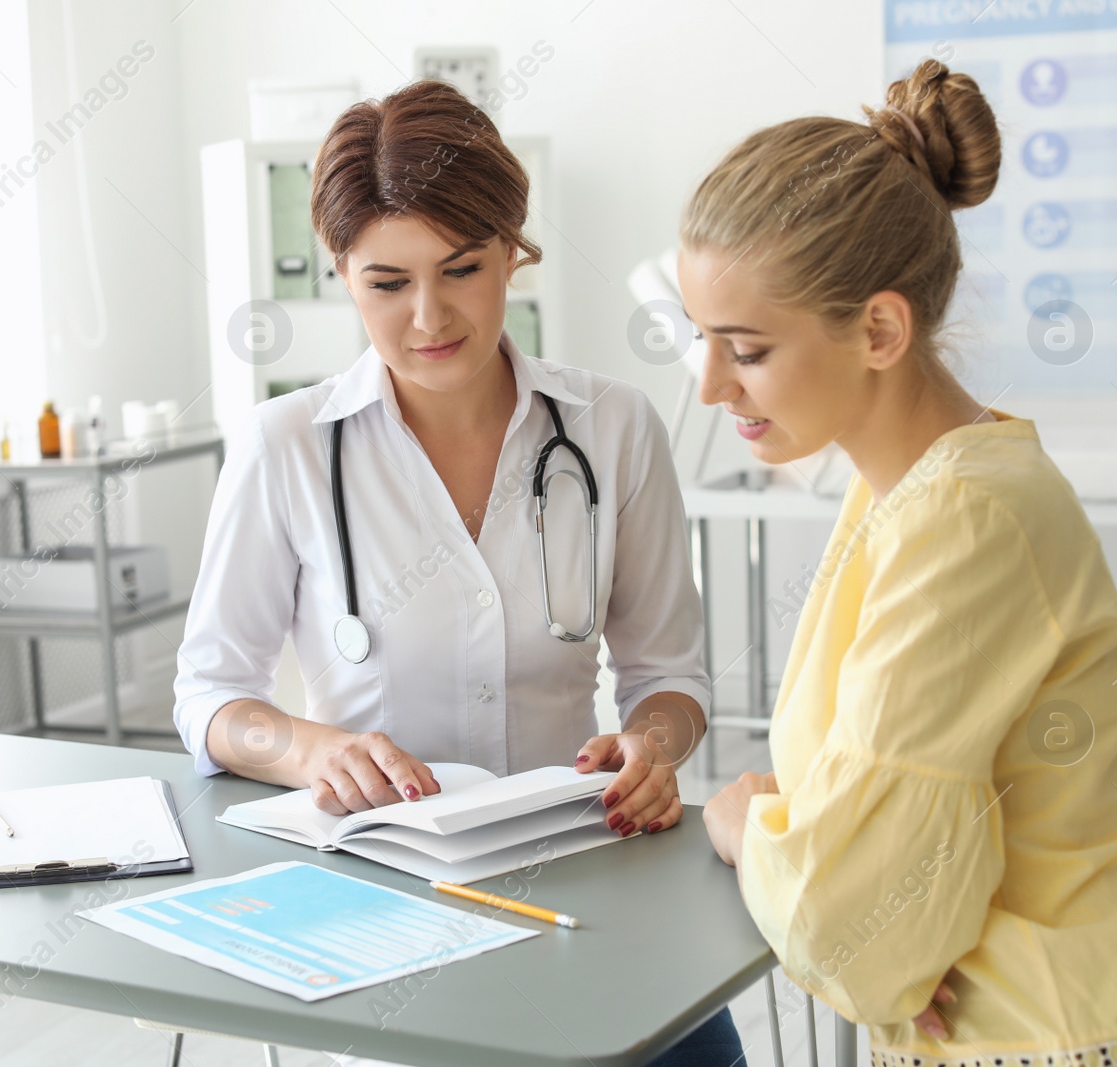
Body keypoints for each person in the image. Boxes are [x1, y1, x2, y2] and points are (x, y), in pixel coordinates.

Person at [173, 79, 743, 1064]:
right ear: (340, 272)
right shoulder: (287, 446)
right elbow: (212, 695)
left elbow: (669, 676)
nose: (429, 315)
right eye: (386, 283)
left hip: (581, 876)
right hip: (379, 906)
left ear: (512, 252)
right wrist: (311, 748)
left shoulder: (613, 428)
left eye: (462, 268)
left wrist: (651, 746)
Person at [683, 59, 1117, 1065]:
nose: (711, 381)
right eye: (700, 340)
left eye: (746, 348)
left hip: (1052, 1035)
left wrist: (742, 819)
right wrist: (823, 855)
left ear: (879, 329)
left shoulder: (965, 520)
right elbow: (869, 894)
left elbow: (853, 928)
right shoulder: (905, 490)